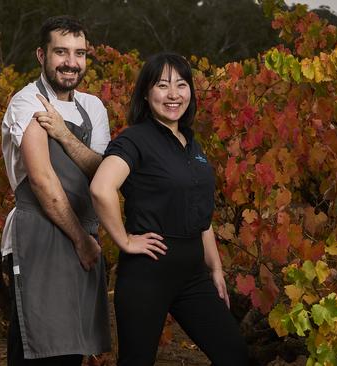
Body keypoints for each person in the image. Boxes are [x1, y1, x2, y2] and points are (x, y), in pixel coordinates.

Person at [90, 52, 249, 365]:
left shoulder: (191, 143)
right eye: (163, 85)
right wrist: (124, 240)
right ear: (147, 94)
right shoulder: (134, 140)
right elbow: (100, 188)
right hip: (148, 272)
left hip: (193, 274)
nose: (174, 94)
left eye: (181, 84)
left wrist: (215, 267)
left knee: (234, 355)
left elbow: (202, 214)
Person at [1, 15, 112, 366]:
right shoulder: (27, 102)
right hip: (39, 237)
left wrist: (63, 134)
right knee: (39, 347)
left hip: (83, 237)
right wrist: (81, 240)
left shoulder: (93, 106)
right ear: (41, 54)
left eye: (79, 53)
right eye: (61, 52)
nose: (71, 62)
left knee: (71, 351)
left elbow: (103, 172)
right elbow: (43, 182)